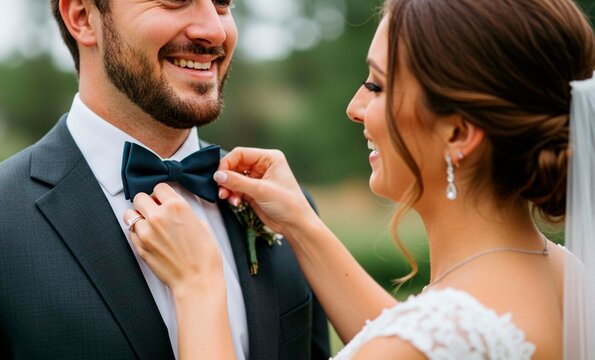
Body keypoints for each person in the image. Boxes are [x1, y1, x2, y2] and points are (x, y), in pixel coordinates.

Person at [122, 0, 595, 359]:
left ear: (458, 132)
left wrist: (199, 286)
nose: (355, 108)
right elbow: (423, 335)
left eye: (377, 85)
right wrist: (303, 226)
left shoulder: (422, 339)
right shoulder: (567, 279)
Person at [0, 0, 330, 359]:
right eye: (176, 1)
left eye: (223, 3)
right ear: (82, 17)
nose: (214, 30)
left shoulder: (283, 209)